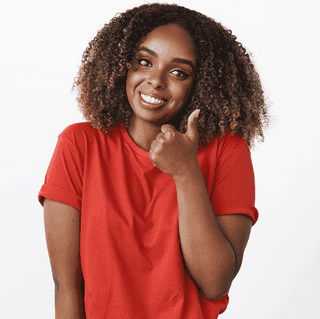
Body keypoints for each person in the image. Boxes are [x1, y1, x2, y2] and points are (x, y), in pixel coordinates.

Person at [39, 3, 270, 319]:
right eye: (144, 62)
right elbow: (66, 288)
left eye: (178, 72)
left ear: (200, 83)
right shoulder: (79, 145)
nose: (156, 81)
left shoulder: (227, 151)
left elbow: (216, 282)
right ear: (122, 66)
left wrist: (186, 171)